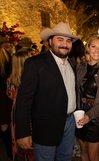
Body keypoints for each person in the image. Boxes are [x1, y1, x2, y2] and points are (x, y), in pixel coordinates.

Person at [15, 22, 79, 161]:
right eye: (60, 39)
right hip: (45, 127)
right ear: (50, 41)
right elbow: (23, 100)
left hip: (69, 123)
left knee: (65, 158)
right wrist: (22, 132)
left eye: (68, 40)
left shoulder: (72, 63)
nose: (64, 44)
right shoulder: (35, 63)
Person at [75, 35, 99, 161]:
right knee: (83, 153)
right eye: (93, 46)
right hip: (79, 115)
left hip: (96, 118)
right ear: (88, 48)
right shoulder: (80, 67)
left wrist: (90, 116)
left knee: (93, 156)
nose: (97, 50)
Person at [6, 49, 32, 161]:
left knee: (18, 144)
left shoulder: (10, 80)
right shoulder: (31, 80)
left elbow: (10, 97)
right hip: (30, 114)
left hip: (16, 115)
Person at [0, 37, 13, 160]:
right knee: (6, 125)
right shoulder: (7, 56)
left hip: (4, 94)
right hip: (4, 95)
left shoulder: (6, 56)